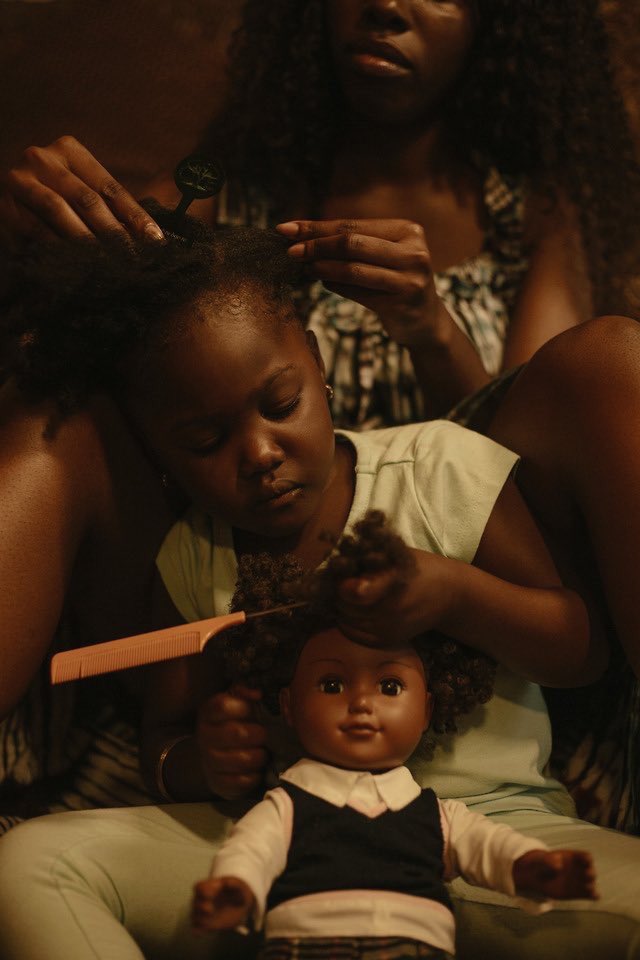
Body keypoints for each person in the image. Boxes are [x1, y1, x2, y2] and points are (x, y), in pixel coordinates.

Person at [0, 215, 638, 960]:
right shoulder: (197, 556)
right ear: (162, 456)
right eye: (207, 442)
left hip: (494, 840)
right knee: (30, 867)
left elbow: (579, 649)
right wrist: (201, 761)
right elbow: (163, 740)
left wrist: (458, 595)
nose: (261, 452)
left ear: (317, 364)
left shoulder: (441, 469)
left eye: (280, 405)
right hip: (277, 850)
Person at [2, 1, 639, 424]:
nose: (386, 5)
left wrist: (432, 331)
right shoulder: (241, 187)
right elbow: (109, 263)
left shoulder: (530, 211)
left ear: (496, 29)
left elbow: (536, 454)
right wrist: (47, 230)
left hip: (463, 551)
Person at [193, 514, 598, 959]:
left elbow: (489, 848)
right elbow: (251, 851)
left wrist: (531, 867)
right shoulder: (287, 805)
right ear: (288, 706)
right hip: (303, 944)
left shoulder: (436, 815)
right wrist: (235, 890)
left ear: (427, 707)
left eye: (390, 687)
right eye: (332, 685)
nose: (362, 703)